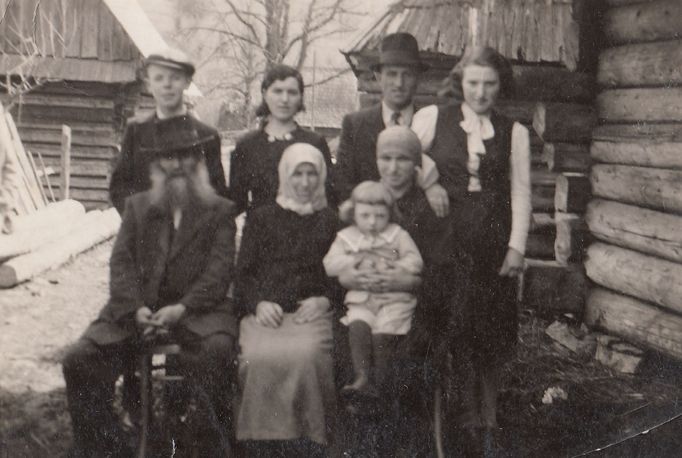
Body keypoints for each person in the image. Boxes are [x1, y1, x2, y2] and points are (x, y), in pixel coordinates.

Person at [62, 117, 238, 458]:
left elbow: (218, 274)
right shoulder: (138, 207)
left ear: (199, 162)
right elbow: (121, 264)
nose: (177, 167)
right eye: (168, 159)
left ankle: (202, 443)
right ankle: (106, 446)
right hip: (136, 311)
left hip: (199, 313)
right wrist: (135, 308)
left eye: (186, 158)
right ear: (156, 165)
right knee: (80, 360)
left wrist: (182, 308)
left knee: (217, 353)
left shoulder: (220, 211)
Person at [412, 46, 532, 450]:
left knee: (490, 332)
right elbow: (403, 156)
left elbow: (521, 192)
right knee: (450, 329)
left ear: (501, 85)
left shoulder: (514, 131)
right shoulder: (432, 118)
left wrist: (516, 247)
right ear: (460, 82)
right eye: (474, 83)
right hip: (444, 244)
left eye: (490, 84)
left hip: (491, 247)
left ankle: (487, 419)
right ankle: (452, 417)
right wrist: (429, 182)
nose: (481, 92)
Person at [233, 143, 338, 457]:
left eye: (312, 174)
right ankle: (261, 444)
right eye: (298, 174)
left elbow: (342, 275)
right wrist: (258, 304)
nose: (305, 183)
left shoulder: (331, 220)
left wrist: (325, 301)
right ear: (284, 176)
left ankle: (307, 441)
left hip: (311, 315)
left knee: (307, 355)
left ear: (321, 177)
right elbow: (244, 274)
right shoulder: (261, 217)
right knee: (258, 356)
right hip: (267, 314)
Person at [324, 180, 423, 400]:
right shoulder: (347, 238)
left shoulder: (397, 235)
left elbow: (415, 261)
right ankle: (362, 377)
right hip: (362, 298)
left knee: (382, 334)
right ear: (353, 214)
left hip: (393, 298)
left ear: (389, 214)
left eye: (380, 216)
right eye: (365, 216)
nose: (372, 223)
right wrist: (353, 261)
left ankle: (382, 384)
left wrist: (396, 267)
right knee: (358, 325)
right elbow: (330, 264)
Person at [334, 32, 448, 216]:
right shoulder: (355, 125)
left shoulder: (432, 122)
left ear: (418, 78)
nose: (399, 83)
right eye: (392, 74)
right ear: (378, 77)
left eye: (407, 75)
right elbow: (342, 185)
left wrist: (432, 185)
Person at [109, 47, 228, 214]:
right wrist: (140, 221)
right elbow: (119, 188)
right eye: (159, 78)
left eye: (175, 78)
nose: (167, 85)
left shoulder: (206, 136)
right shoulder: (136, 131)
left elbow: (218, 194)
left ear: (187, 82)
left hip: (192, 235)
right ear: (149, 85)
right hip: (147, 234)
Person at [228, 64, 336, 215]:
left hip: (307, 231)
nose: (284, 99)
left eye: (292, 92)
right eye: (277, 91)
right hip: (260, 232)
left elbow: (329, 198)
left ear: (300, 97)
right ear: (265, 94)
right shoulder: (247, 145)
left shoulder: (314, 142)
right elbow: (236, 202)